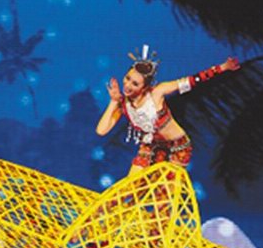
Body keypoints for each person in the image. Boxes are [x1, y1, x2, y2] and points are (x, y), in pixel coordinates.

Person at [96, 45, 240, 174]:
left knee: (163, 192)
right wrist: (114, 101)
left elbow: (192, 81)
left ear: (144, 87)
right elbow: (101, 130)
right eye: (127, 78)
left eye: (135, 83)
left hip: (177, 148)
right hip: (150, 146)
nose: (127, 85)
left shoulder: (157, 92)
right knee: (131, 186)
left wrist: (223, 67)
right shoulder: (125, 105)